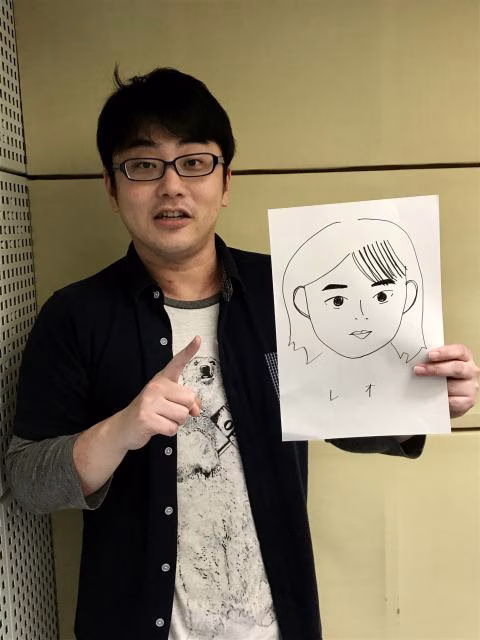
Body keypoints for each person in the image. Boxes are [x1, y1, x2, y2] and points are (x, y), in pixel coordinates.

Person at [6, 68, 479, 640]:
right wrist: (121, 430)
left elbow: (341, 412)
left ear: (225, 181)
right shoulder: (75, 315)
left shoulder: (287, 294)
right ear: (111, 187)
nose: (172, 186)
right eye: (144, 165)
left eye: (194, 162)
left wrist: (420, 401)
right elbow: (28, 481)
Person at [283, 217, 425, 363]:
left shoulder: (420, 362)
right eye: (338, 301)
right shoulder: (286, 363)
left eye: (381, 296)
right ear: (303, 302)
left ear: (409, 295)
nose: (361, 314)